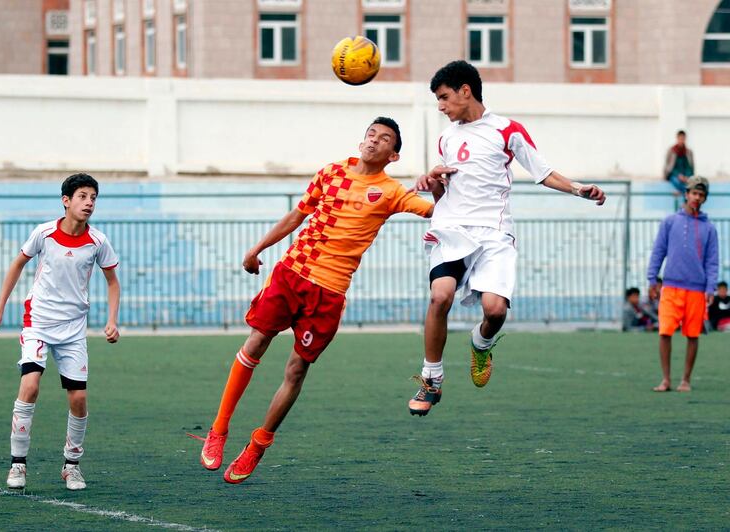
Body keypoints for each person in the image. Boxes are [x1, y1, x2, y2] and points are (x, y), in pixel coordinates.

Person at [197, 117, 435, 484]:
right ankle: (219, 429)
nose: (373, 141)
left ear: (393, 155)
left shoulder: (391, 192)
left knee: (295, 369)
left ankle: (259, 443)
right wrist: (257, 248)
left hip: (330, 292)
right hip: (292, 273)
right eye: (370, 134)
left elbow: (434, 211)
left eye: (383, 139)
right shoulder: (331, 172)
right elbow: (297, 215)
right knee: (256, 341)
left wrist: (440, 186)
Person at [408, 60, 606, 416]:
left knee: (495, 311)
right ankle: (431, 379)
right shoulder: (446, 138)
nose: (440, 107)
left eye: (444, 98)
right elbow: (443, 190)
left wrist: (579, 189)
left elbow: (542, 172)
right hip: (452, 227)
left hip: (495, 233)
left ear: (465, 90)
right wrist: (433, 180)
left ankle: (481, 342)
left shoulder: (507, 130)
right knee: (440, 297)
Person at [0, 173, 120, 490]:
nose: (89, 203)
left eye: (93, 198)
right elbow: (17, 264)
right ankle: (18, 465)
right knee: (29, 386)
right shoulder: (44, 233)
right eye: (83, 196)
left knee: (79, 398)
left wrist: (112, 320)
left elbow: (113, 281)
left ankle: (71, 466)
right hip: (39, 324)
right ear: (66, 201)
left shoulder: (98, 242)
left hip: (73, 330)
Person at [648, 176, 718, 392]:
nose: (697, 198)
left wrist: (710, 287)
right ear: (686, 194)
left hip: (697, 289)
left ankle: (685, 379)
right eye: (694, 193)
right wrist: (652, 278)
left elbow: (712, 261)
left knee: (693, 334)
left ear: (704, 198)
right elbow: (658, 251)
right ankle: (666, 379)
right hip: (670, 286)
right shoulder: (670, 222)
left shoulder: (710, 228)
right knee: (665, 332)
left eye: (701, 195)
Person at [663, 130, 694, 196]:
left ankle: (682, 193)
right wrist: (678, 175)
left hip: (685, 176)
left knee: (690, 184)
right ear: (677, 138)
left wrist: (687, 176)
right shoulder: (671, 151)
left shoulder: (688, 152)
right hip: (673, 175)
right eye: (680, 138)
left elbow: (690, 167)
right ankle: (686, 194)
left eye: (683, 139)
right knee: (677, 182)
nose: (681, 140)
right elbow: (668, 166)